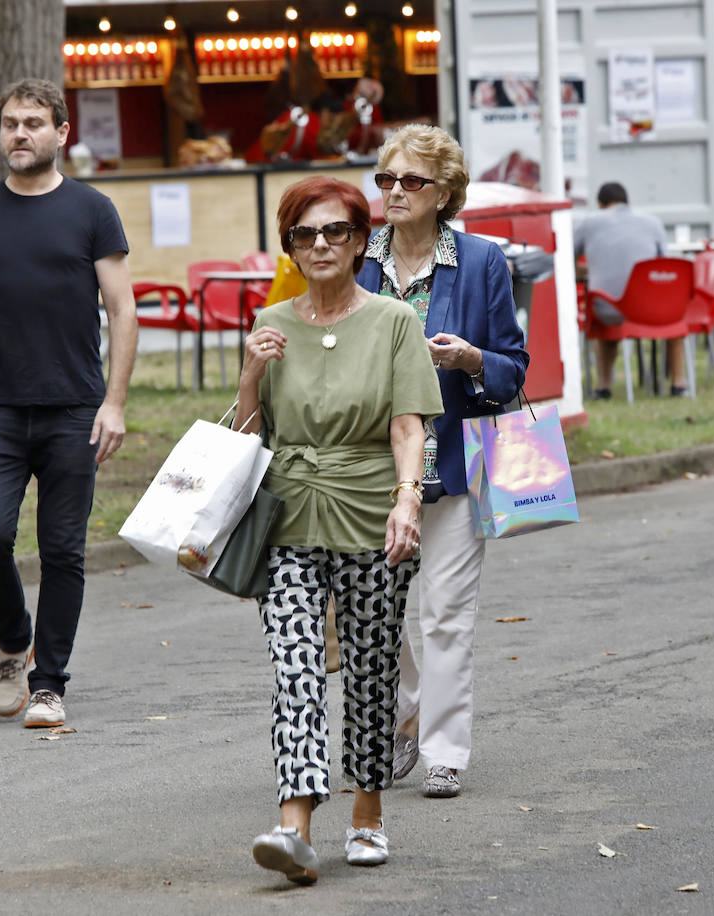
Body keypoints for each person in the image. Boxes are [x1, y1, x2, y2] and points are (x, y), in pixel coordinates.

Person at [0, 78, 137, 730]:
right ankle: (14, 641)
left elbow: (122, 312)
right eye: (11, 122)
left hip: (75, 406)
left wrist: (116, 402)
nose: (20, 133)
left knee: (62, 549)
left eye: (34, 123)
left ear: (61, 132)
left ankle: (49, 683)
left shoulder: (93, 211)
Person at [239, 176, 443, 884]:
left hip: (368, 508)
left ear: (360, 241)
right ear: (289, 246)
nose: (320, 244)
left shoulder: (393, 321)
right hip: (289, 514)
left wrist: (407, 502)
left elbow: (409, 425)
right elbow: (245, 432)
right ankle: (294, 826)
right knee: (295, 668)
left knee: (370, 663)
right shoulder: (272, 320)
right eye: (304, 234)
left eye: (335, 232)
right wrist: (248, 374)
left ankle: (367, 811)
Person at [357, 124, 529, 800]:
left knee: (447, 614)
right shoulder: (358, 259)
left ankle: (444, 751)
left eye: (411, 182)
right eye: (386, 180)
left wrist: (469, 359)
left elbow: (514, 370)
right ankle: (408, 713)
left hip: (453, 463)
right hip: (368, 466)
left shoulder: (483, 262)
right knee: (370, 607)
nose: (395, 192)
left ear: (444, 193)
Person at [574, 181, 688, 398]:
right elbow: (663, 264)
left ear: (600, 204)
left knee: (603, 318)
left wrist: (584, 269)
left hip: (608, 310)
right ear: (628, 203)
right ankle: (678, 383)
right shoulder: (652, 222)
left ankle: (604, 386)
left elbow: (567, 256)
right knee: (676, 321)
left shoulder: (589, 222)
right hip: (652, 310)